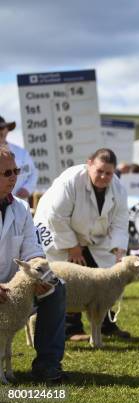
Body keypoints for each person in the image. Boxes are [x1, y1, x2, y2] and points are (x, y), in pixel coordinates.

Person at [33, 148, 130, 341]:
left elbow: (120, 221)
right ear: (89, 164)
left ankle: (106, 325)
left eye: (108, 173)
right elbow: (56, 216)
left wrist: (119, 249)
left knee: (104, 279)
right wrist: (72, 246)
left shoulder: (118, 189)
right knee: (70, 279)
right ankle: (71, 328)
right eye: (99, 171)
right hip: (56, 230)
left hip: (92, 236)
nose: (103, 176)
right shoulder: (70, 180)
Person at [0, 146, 66, 383]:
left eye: (15, 171)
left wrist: (37, 278)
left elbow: (33, 251)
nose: (14, 177)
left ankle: (47, 365)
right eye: (7, 173)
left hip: (15, 285)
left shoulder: (21, 208)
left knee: (57, 288)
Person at [0, 116, 38, 200]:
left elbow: (33, 172)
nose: (0, 131)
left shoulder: (21, 152)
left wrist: (27, 188)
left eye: (2, 128)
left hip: (19, 202)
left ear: (7, 130)